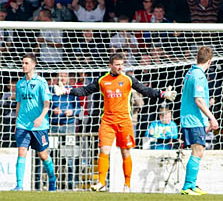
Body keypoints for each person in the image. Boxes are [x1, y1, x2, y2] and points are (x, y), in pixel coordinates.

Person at [53, 53, 177, 192]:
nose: (120, 67)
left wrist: (162, 94)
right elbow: (85, 90)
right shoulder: (102, 80)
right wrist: (66, 91)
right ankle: (101, 182)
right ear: (110, 65)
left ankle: (127, 184)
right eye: (117, 65)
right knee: (104, 150)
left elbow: (145, 90)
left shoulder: (128, 79)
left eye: (122, 64)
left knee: (125, 153)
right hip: (107, 121)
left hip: (124, 121)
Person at [11, 53, 56, 191]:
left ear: (33, 65)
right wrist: (16, 122)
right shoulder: (20, 83)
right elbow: (19, 104)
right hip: (22, 124)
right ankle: (19, 185)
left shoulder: (41, 82)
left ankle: (52, 181)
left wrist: (41, 117)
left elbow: (47, 104)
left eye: (26, 63)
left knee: (43, 155)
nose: (23, 66)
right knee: (21, 151)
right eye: (22, 63)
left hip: (39, 126)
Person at [180, 46, 219, 195]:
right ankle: (187, 187)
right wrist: (212, 117)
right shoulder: (199, 76)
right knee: (198, 151)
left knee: (199, 151)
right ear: (209, 62)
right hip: (193, 120)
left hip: (192, 119)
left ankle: (192, 185)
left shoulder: (190, 72)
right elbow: (198, 100)